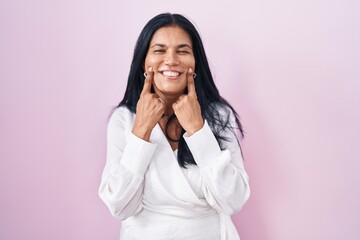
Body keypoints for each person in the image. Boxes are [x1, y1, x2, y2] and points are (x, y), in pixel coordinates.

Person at [98, 13, 250, 240]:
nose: (171, 60)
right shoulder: (123, 120)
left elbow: (233, 201)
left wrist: (198, 130)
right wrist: (141, 130)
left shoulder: (219, 115)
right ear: (143, 61)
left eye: (183, 50)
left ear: (195, 61)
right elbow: (120, 206)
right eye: (159, 50)